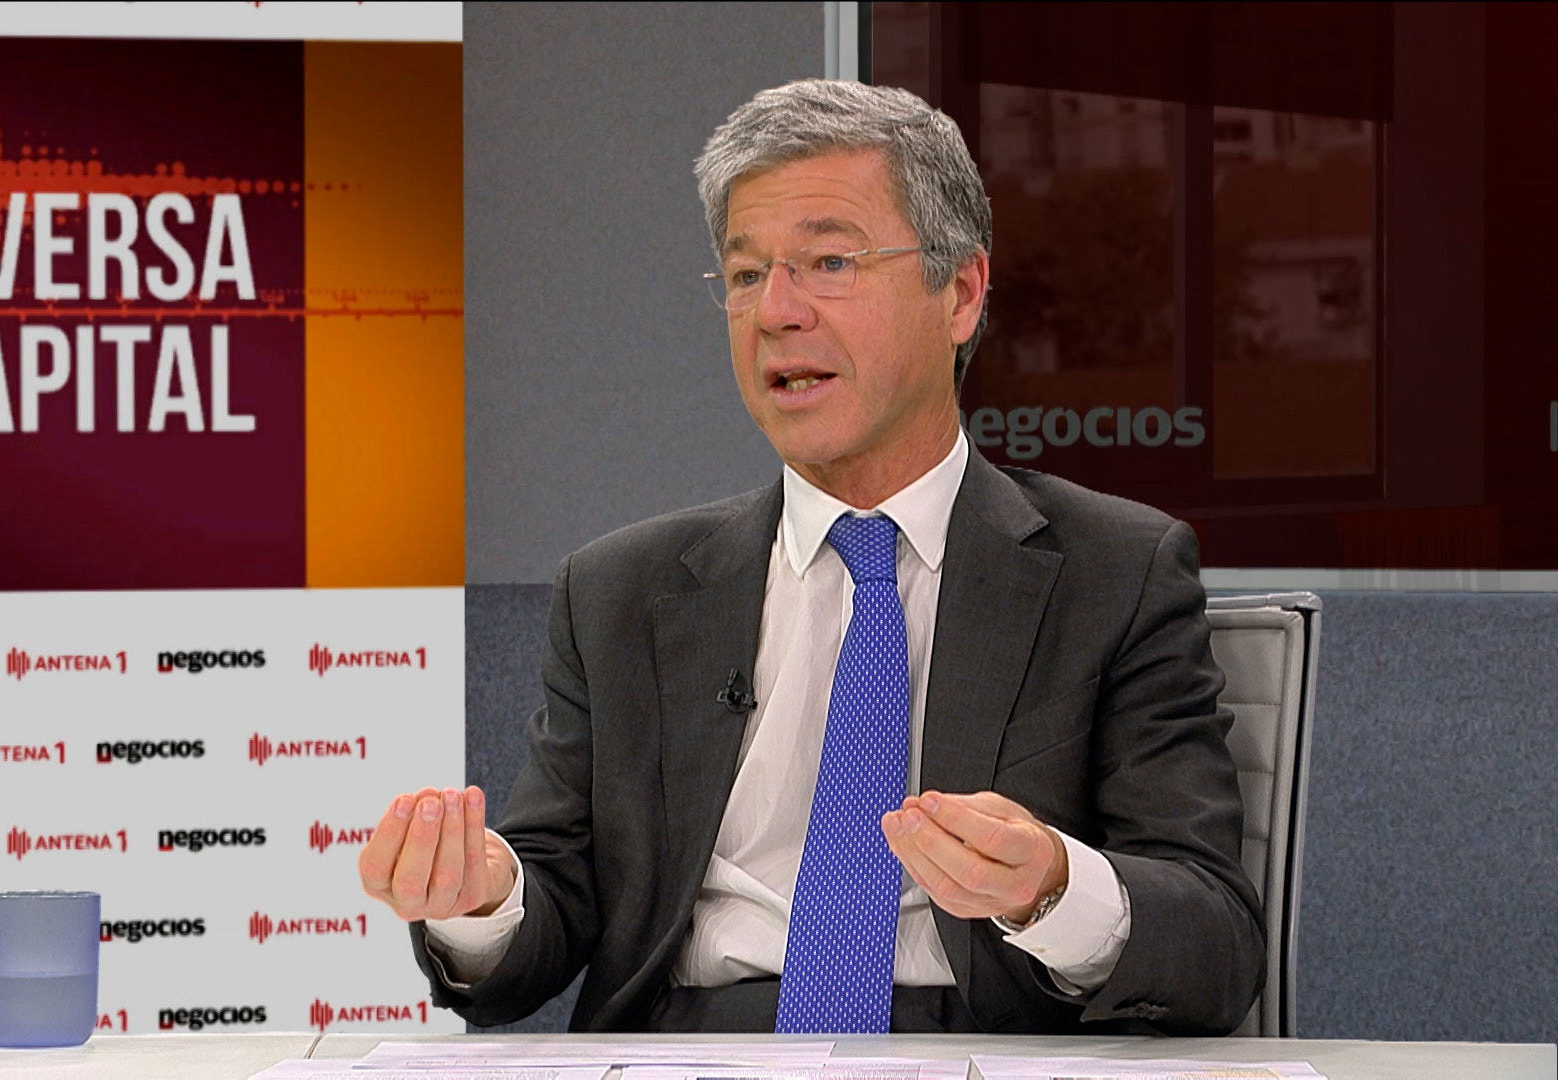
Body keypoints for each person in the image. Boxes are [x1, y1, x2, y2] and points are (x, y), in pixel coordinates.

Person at [357, 79, 1263, 1036]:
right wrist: (481, 898)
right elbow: (542, 919)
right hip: (692, 1047)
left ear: (960, 293)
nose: (775, 311)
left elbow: (1214, 941)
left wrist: (1052, 886)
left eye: (830, 261)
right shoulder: (621, 591)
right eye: (746, 274)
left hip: (974, 1046)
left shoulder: (1113, 573)